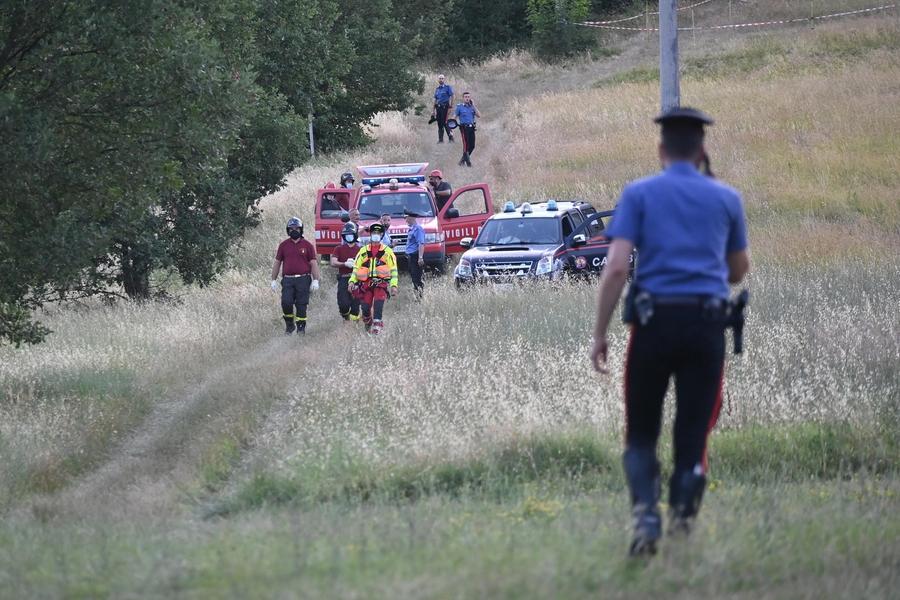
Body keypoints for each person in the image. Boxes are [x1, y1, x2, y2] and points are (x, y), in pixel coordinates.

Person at [589, 107, 750, 557]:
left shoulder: (639, 194)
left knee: (641, 431)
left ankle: (645, 516)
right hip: (706, 327)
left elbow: (617, 266)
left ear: (661, 150)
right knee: (693, 430)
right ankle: (682, 519)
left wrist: (599, 333)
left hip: (653, 326)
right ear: (702, 151)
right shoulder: (727, 198)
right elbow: (738, 272)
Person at [271, 217, 321, 335]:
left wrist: (316, 280)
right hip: (288, 280)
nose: (294, 230)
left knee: (301, 305)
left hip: (303, 279)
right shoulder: (283, 245)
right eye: (291, 228)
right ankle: (289, 325)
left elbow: (313, 263)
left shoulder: (308, 245)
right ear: (288, 230)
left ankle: (301, 328)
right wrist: (273, 279)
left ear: (301, 229)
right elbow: (277, 262)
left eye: (297, 228)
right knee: (286, 303)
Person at [349, 222, 399, 335]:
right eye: (374, 232)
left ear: (381, 235)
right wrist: (351, 281)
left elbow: (393, 270)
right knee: (365, 308)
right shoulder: (363, 251)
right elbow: (356, 268)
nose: (376, 234)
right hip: (366, 285)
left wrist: (394, 285)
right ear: (370, 234)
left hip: (381, 284)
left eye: (378, 232)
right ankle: (368, 322)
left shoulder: (388, 252)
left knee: (378, 304)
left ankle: (377, 327)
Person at [330, 222, 361, 322]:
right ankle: (345, 318)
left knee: (356, 305)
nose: (349, 237)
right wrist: (344, 264)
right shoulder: (338, 249)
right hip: (343, 278)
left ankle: (354, 324)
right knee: (343, 304)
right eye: (347, 235)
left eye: (351, 234)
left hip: (357, 279)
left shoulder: (360, 249)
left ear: (355, 235)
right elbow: (333, 262)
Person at [404, 209, 426, 299]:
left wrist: (420, 257)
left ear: (411, 218)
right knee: (413, 276)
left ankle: (419, 297)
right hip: (411, 256)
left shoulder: (418, 229)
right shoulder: (411, 229)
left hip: (415, 256)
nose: (405, 220)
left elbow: (421, 243)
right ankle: (417, 295)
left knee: (417, 277)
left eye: (406, 218)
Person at [455, 91, 481, 167]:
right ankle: (468, 163)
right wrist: (451, 125)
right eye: (466, 97)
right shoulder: (459, 107)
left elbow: (479, 115)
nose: (467, 98)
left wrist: (474, 105)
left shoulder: (472, 107)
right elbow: (454, 117)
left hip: (472, 128)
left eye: (468, 97)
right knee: (466, 145)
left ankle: (462, 161)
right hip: (464, 128)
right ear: (463, 98)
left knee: (472, 146)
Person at [432, 74, 455, 143]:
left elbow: (453, 96)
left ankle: (451, 137)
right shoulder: (437, 89)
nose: (441, 80)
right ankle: (440, 140)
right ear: (438, 80)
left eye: (442, 78)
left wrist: (451, 105)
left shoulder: (447, 87)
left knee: (445, 122)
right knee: (440, 123)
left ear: (444, 79)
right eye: (440, 78)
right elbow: (435, 100)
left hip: (445, 107)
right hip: (438, 108)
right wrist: (433, 110)